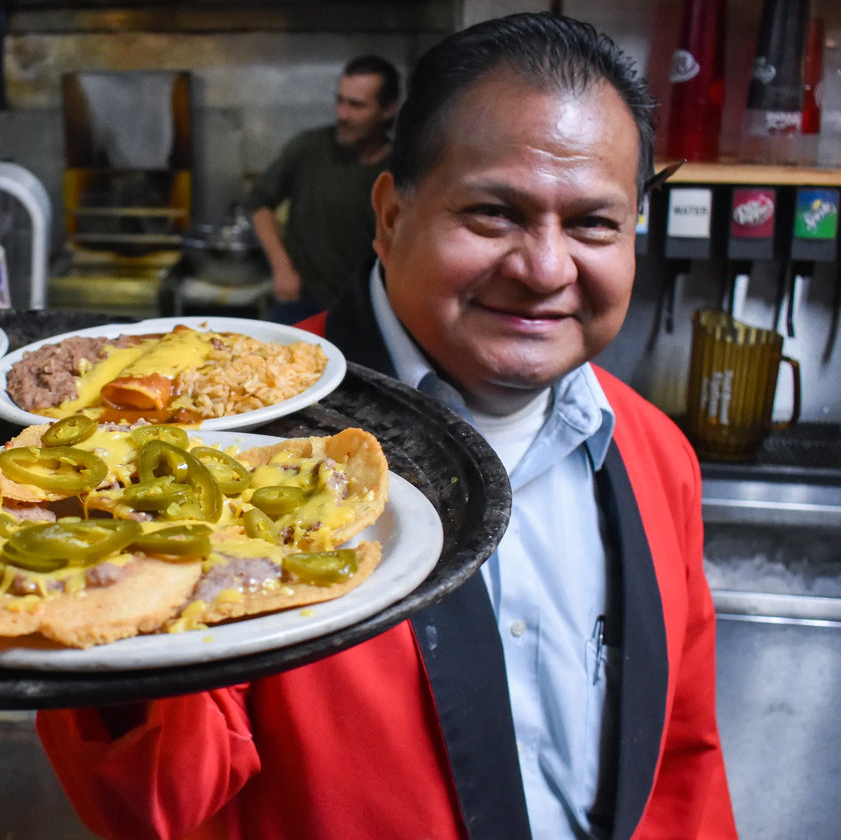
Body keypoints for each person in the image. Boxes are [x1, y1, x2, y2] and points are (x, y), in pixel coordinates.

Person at [36, 13, 738, 840]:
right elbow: (151, 801)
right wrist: (105, 571)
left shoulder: (657, 456)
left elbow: (685, 764)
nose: (547, 269)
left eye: (593, 223)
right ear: (392, 214)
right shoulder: (228, 448)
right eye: (493, 214)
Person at [246, 54, 399, 324]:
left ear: (387, 110)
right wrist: (282, 268)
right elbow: (259, 203)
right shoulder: (310, 148)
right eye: (340, 101)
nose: (343, 114)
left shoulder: (402, 167)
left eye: (356, 105)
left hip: (371, 308)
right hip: (302, 301)